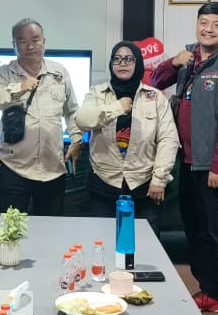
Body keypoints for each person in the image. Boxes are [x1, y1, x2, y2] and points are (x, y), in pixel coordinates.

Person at [148, 1, 218, 315]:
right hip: (189, 163)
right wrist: (173, 61)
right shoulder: (190, 58)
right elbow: (155, 81)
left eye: (217, 25)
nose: (208, 30)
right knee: (198, 234)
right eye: (204, 23)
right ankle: (212, 292)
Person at [75, 40, 179, 237]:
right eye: (117, 59)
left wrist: (159, 179)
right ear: (111, 64)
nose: (122, 63)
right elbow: (82, 120)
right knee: (102, 244)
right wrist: (116, 108)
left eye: (129, 59)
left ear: (138, 63)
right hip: (104, 185)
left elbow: (168, 139)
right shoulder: (97, 93)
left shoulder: (155, 97)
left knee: (145, 246)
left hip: (144, 187)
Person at [0, 19, 82, 215]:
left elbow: (71, 111)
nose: (30, 46)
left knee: (50, 228)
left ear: (44, 41)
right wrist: (18, 88)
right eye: (22, 41)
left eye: (35, 40)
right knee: (11, 228)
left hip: (52, 168)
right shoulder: (5, 73)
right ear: (14, 45)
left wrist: (76, 140)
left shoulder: (59, 72)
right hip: (14, 168)